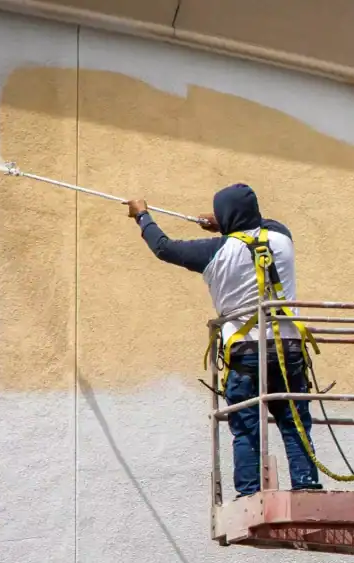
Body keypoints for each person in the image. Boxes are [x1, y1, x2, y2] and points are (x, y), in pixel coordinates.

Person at [124, 184, 323, 498]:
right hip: (288, 349)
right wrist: (226, 224)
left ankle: (250, 493)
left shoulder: (215, 252)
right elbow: (262, 226)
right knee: (295, 421)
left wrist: (142, 216)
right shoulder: (283, 238)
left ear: (228, 216)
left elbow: (164, 248)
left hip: (245, 354)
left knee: (246, 426)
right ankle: (307, 486)